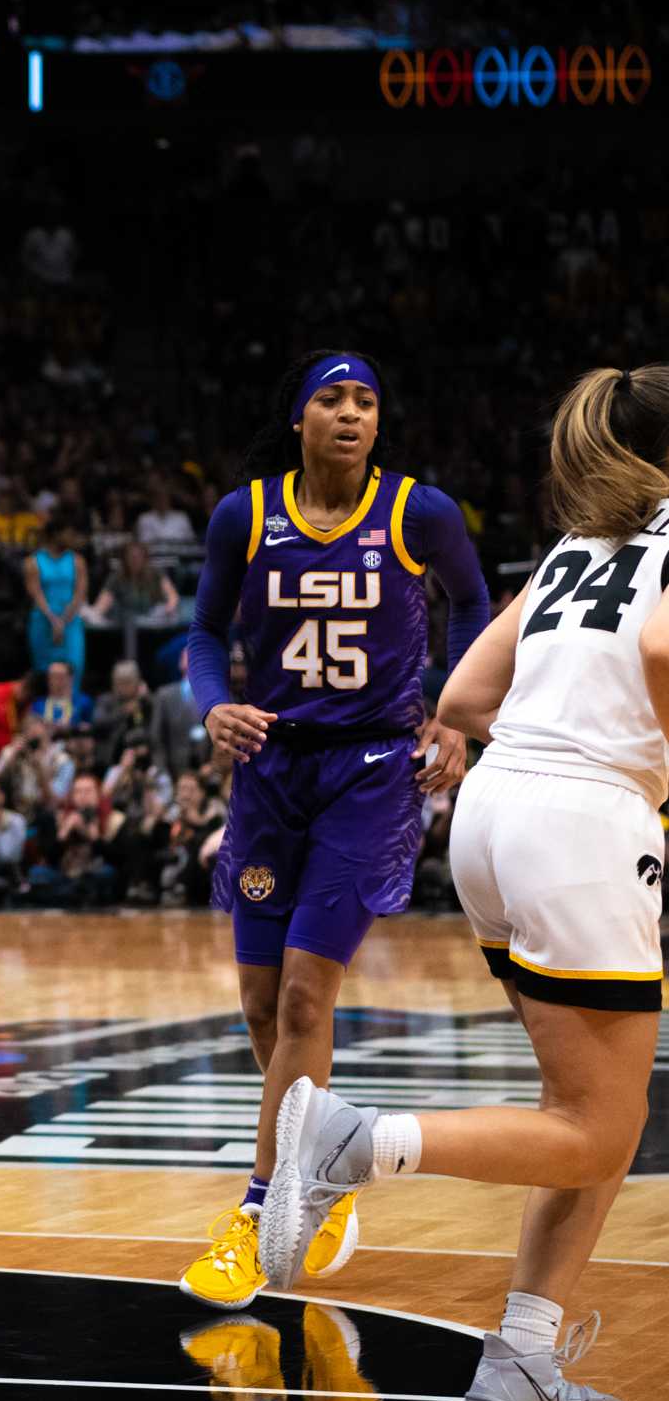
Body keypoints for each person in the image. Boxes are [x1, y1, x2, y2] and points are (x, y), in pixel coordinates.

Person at [262, 366, 669, 1401]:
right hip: (584, 824)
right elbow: (665, 651)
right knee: (590, 1125)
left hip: (493, 816)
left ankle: (520, 1361)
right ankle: (358, 1140)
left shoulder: (578, 550)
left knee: (596, 1121)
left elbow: (463, 698)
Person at [177, 349, 488, 1311]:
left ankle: (267, 1202)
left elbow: (476, 605)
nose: (351, 413)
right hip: (270, 770)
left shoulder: (417, 512)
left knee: (310, 1001)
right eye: (333, 399)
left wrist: (453, 717)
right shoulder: (246, 514)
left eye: (366, 401)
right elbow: (201, 633)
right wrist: (213, 705)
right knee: (264, 1007)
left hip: (371, 770)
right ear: (301, 417)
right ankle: (327, 1168)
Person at [23, 516, 88, 678]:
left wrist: (63, 621)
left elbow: (80, 594)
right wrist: (53, 620)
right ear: (56, 534)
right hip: (43, 620)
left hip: (70, 621)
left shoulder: (78, 561)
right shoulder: (33, 562)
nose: (72, 538)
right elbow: (35, 593)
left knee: (74, 668)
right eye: (68, 534)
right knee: (44, 673)